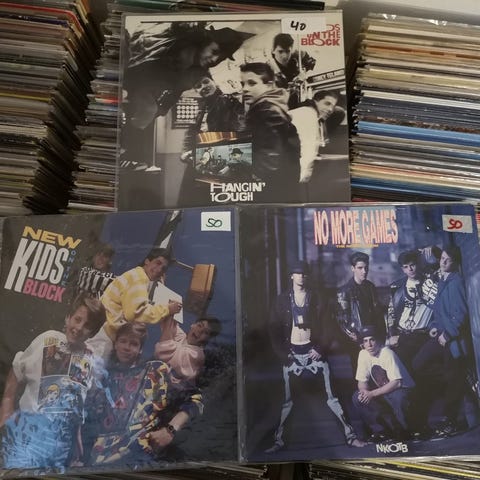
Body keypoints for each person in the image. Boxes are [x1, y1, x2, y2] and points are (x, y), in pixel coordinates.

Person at [120, 22, 252, 171]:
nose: (215, 59)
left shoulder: (225, 101)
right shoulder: (179, 44)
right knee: (146, 111)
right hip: (132, 77)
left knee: (147, 112)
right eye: (214, 51)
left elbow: (238, 137)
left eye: (220, 58)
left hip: (215, 163)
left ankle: (125, 152)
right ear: (206, 42)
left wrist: (193, 153)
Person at [265, 260, 364, 453]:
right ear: (291, 276)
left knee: (333, 397)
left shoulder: (318, 298)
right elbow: (273, 330)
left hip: (315, 353)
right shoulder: (282, 300)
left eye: (304, 273)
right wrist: (284, 354)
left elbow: (329, 327)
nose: (301, 276)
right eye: (297, 273)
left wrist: (321, 348)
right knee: (286, 401)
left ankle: (350, 437)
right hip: (292, 354)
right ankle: (278, 441)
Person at [0, 293, 106, 469]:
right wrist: (6, 408)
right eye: (77, 319)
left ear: (93, 332)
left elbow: (77, 401)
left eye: (87, 325)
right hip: (27, 436)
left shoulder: (89, 357)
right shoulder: (48, 339)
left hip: (60, 446)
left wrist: (77, 439)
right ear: (68, 317)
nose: (79, 328)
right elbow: (17, 369)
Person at [84, 323, 203, 466]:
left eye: (133, 344)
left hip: (140, 461)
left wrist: (170, 430)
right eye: (123, 341)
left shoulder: (156, 371)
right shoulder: (103, 378)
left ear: (140, 349)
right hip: (98, 464)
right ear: (115, 344)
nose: (126, 347)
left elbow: (195, 399)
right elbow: (88, 423)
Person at [412, 245, 472, 438]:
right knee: (418, 363)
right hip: (440, 335)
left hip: (452, 341)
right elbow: (439, 312)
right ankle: (456, 380)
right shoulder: (442, 281)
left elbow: (461, 315)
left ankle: (451, 422)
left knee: (453, 380)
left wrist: (447, 334)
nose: (443, 262)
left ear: (455, 263)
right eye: (442, 258)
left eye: (448, 259)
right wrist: (434, 327)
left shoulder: (456, 283)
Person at [86, 247, 182, 361]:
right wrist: (167, 309)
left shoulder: (137, 276)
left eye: (163, 268)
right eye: (158, 263)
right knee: (88, 368)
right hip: (103, 337)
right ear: (147, 261)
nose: (159, 269)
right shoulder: (138, 279)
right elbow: (136, 312)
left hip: (102, 332)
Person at [240, 62, 302, 203]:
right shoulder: (272, 105)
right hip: (283, 184)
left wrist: (252, 184)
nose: (245, 89)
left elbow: (270, 157)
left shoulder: (266, 109)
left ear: (269, 85)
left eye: (252, 83)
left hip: (271, 189)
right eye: (242, 84)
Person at [352, 325, 415, 443]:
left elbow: (397, 382)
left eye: (372, 340)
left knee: (398, 397)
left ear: (378, 340)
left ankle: (406, 430)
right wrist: (364, 392)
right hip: (385, 391)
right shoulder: (363, 354)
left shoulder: (387, 353)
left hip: (403, 389)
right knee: (358, 397)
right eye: (365, 341)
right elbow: (361, 381)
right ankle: (383, 431)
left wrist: (372, 394)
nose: (369, 344)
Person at [336, 251, 385, 371]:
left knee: (378, 371)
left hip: (374, 337)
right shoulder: (344, 291)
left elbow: (377, 313)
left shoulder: (370, 287)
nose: (364, 271)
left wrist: (381, 336)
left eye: (366, 267)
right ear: (352, 268)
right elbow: (342, 319)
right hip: (357, 339)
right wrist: (356, 337)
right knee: (360, 372)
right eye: (360, 268)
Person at [385, 250, 435, 369]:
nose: (410, 269)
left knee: (421, 369)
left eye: (412, 265)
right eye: (406, 267)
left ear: (417, 264)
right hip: (402, 336)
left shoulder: (430, 282)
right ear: (402, 269)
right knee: (404, 371)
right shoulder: (396, 287)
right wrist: (392, 334)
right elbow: (391, 313)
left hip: (423, 335)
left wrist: (433, 250)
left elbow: (440, 268)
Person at [289, 90, 340, 183]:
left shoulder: (313, 115)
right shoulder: (308, 114)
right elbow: (306, 148)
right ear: (316, 101)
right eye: (327, 103)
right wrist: (303, 176)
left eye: (333, 106)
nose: (330, 109)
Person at [154, 316, 222, 383]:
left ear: (208, 339)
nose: (200, 331)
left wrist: (170, 318)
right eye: (199, 325)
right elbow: (167, 320)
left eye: (206, 332)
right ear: (192, 325)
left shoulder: (197, 355)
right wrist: (172, 312)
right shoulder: (181, 337)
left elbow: (163, 352)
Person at [268, 33, 316, 108]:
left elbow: (312, 63)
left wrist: (304, 70)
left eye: (287, 51)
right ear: (273, 51)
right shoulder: (269, 70)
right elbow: (281, 96)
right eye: (280, 52)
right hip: (283, 107)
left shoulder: (296, 57)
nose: (284, 56)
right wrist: (297, 82)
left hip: (299, 100)